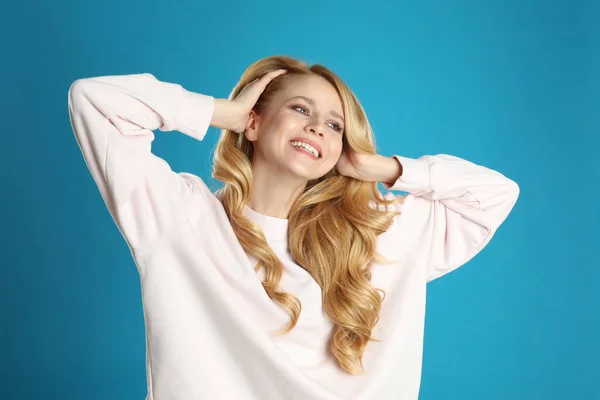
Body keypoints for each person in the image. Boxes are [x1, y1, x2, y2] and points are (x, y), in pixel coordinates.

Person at [67, 55, 519, 400]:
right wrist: (222, 113)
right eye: (300, 109)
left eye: (335, 124)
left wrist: (384, 168)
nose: (318, 127)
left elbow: (495, 194)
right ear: (256, 122)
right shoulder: (180, 218)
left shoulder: (376, 234)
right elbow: (94, 100)